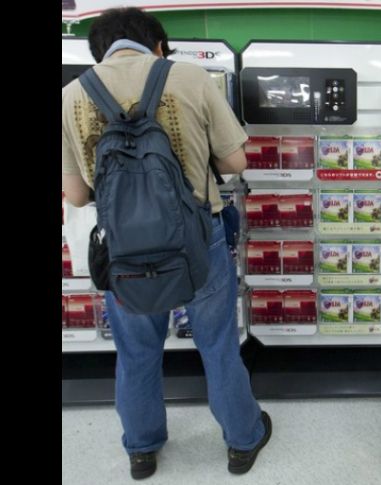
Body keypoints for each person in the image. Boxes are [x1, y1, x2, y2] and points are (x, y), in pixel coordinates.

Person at [61, 8, 271, 479]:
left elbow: (75, 194)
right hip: (199, 237)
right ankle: (242, 440)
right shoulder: (190, 78)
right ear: (157, 45)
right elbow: (235, 160)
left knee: (136, 352)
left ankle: (141, 449)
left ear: (99, 51)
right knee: (217, 345)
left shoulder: (71, 95)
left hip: (122, 249)